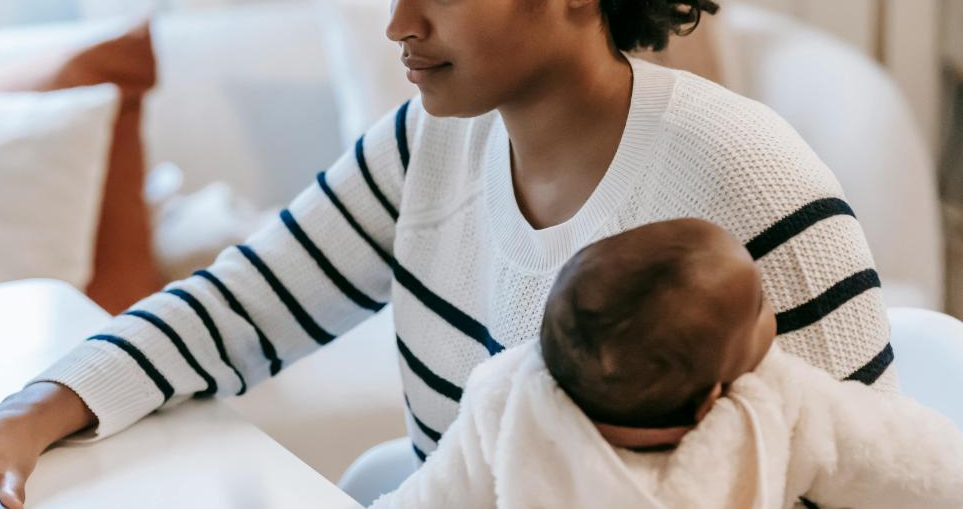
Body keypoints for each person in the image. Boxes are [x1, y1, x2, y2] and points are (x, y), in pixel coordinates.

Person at [0, 0, 898, 506]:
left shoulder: (739, 178)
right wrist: (27, 412)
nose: (398, 25)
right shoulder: (424, 146)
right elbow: (241, 306)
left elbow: (857, 473)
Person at [371, 219, 963, 508]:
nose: (773, 305)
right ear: (712, 397)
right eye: (760, 304)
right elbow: (909, 461)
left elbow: (432, 498)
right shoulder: (775, 407)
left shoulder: (510, 400)